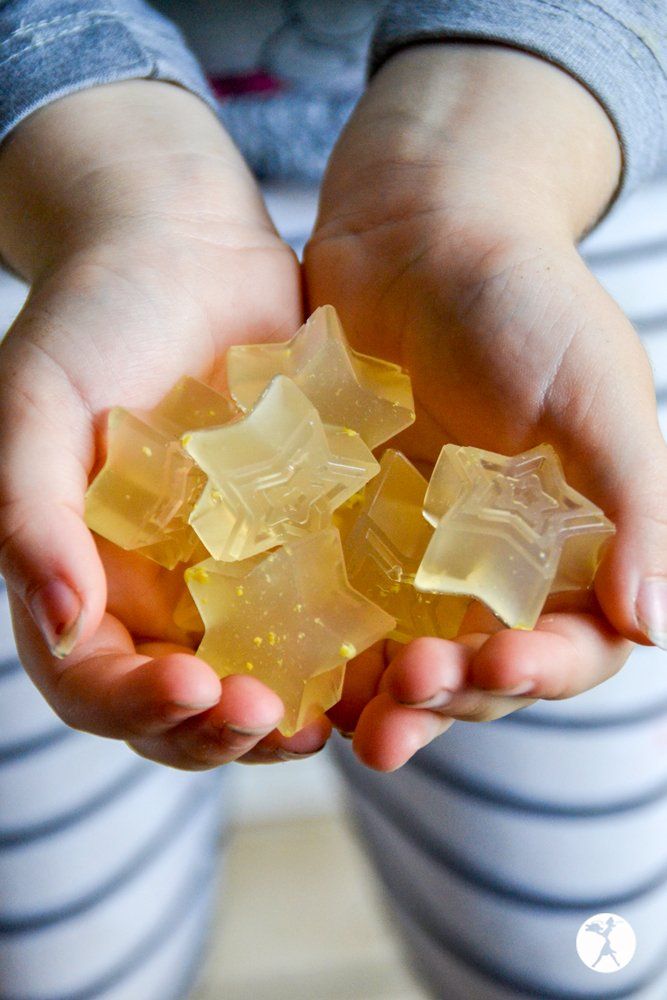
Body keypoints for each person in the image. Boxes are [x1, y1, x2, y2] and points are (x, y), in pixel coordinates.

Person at [0, 1, 665, 996]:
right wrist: (110, 184)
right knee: (46, 959)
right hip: (59, 180)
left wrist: (484, 170)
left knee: (579, 951)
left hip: (542, 147)